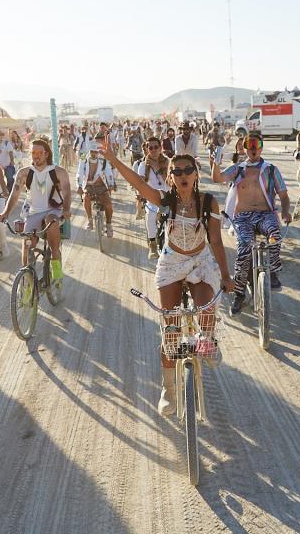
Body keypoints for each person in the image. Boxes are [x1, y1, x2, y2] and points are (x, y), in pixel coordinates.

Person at [98, 144, 232, 416]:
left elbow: (216, 240)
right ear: (170, 177)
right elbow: (136, 181)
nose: (183, 174)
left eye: (188, 169)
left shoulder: (209, 202)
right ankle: (168, 389)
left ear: (196, 174)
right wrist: (112, 158)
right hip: (171, 263)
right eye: (177, 171)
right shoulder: (165, 200)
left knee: (206, 311)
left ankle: (207, 341)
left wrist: (226, 276)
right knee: (170, 329)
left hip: (200, 261)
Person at [210, 133, 291, 315]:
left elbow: (284, 196)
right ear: (244, 148)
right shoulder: (237, 169)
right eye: (249, 144)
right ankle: (239, 294)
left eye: (257, 144)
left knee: (274, 235)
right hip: (243, 217)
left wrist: (285, 211)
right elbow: (217, 178)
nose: (253, 148)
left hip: (265, 214)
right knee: (245, 248)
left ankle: (272, 272)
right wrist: (215, 161)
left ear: (261, 147)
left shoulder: (271, 170)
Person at [0, 139, 71, 282]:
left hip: (54, 210)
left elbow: (67, 192)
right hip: (33, 213)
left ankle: (55, 261)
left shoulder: (59, 172)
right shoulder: (24, 173)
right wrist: (6, 212)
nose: (36, 156)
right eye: (33, 152)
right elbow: (14, 194)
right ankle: (27, 282)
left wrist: (67, 209)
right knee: (27, 245)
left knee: (51, 220)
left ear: (46, 154)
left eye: (39, 152)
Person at [76, 134, 116, 237]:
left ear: (98, 152)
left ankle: (109, 225)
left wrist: (111, 184)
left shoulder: (103, 159)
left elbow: (108, 172)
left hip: (101, 186)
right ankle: (90, 220)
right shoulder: (83, 158)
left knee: (108, 205)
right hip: (88, 186)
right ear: (89, 151)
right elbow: (79, 172)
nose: (94, 153)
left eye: (96, 152)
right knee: (86, 198)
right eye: (92, 151)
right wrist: (79, 186)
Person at [137, 137, 170, 258]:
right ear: (147, 149)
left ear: (160, 148)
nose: (154, 150)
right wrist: (140, 194)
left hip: (168, 197)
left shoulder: (168, 162)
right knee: (150, 216)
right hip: (152, 198)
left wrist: (159, 169)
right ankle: (152, 245)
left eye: (156, 147)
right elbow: (140, 183)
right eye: (150, 147)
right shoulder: (142, 165)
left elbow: (172, 181)